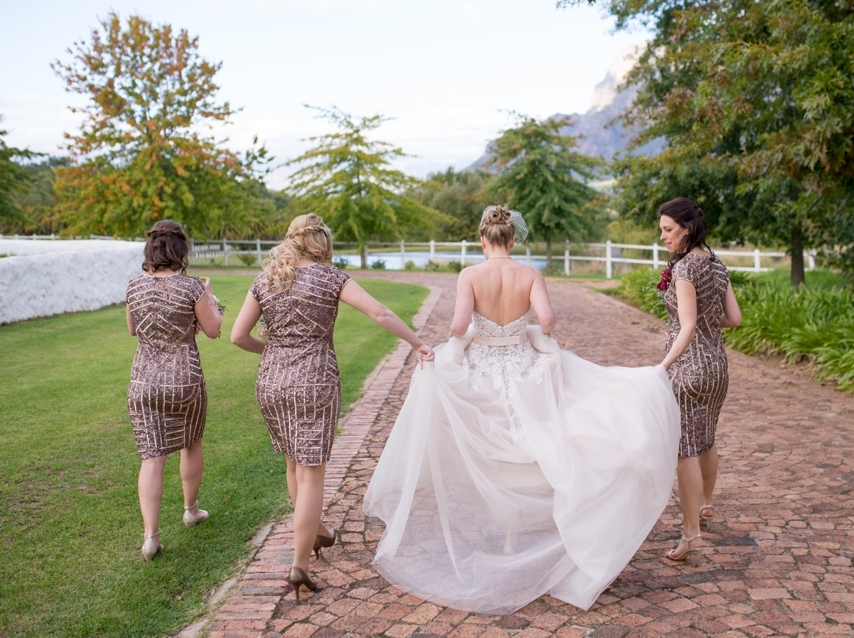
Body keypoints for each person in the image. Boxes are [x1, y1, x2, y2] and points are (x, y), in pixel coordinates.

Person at [363, 205, 682, 614]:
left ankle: (507, 522)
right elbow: (546, 321)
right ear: (512, 240)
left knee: (492, 443)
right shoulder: (530, 274)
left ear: (483, 240)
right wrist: (526, 329)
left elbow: (459, 327)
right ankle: (532, 526)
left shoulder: (470, 275)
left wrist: (476, 332)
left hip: (483, 367)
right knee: (534, 438)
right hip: (521, 365)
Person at [230, 213, 434, 599]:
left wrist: (273, 351)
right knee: (310, 472)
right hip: (314, 380)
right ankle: (299, 565)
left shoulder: (267, 280)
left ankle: (319, 532)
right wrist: (418, 344)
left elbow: (238, 336)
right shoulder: (331, 277)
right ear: (321, 241)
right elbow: (380, 312)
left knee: (293, 463)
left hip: (271, 383)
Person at [126, 220, 223, 562]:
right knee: (191, 442)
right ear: (181, 250)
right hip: (184, 379)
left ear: (151, 248)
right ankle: (190, 509)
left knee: (152, 457)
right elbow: (212, 330)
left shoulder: (134, 286)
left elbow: (132, 329)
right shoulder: (192, 287)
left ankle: (151, 537)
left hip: (143, 382)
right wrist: (210, 298)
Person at [656, 197, 742, 563]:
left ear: (686, 228)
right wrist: (706, 322)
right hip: (717, 367)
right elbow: (734, 319)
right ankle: (705, 504)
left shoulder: (685, 269)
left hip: (689, 369)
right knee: (705, 438)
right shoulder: (716, 263)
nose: (662, 237)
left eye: (668, 229)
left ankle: (690, 535)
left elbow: (687, 326)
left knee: (684, 449)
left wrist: (662, 367)